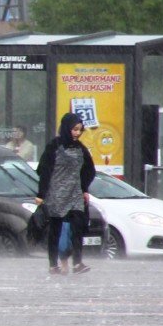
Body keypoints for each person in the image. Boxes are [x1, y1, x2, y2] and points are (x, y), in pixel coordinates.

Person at [36, 112, 96, 275]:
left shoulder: (81, 148)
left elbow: (89, 170)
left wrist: (84, 189)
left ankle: (77, 263)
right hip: (56, 193)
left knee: (78, 227)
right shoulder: (54, 146)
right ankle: (53, 264)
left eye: (79, 130)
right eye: (74, 129)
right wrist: (41, 194)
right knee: (55, 229)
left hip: (75, 194)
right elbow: (44, 170)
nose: (77, 133)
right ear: (66, 128)